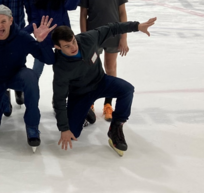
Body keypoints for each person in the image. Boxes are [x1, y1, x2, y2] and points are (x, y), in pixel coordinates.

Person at [52, 17, 157, 156]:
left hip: (100, 82)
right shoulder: (61, 67)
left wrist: (137, 26)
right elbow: (59, 99)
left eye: (73, 41)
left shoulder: (87, 39)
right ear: (58, 47)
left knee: (127, 89)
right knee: (73, 133)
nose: (73, 47)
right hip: (80, 94)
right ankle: (85, 113)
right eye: (67, 46)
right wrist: (64, 128)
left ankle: (116, 128)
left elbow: (112, 28)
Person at [0, 5, 56, 152]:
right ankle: (2, 98)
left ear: (11, 21)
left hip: (15, 76)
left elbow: (49, 59)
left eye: (3, 21)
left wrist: (42, 42)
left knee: (30, 77)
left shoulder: (22, 37)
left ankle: (32, 125)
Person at [79, 0, 129, 121]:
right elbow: (83, 15)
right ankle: (90, 102)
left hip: (114, 35)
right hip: (94, 36)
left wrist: (124, 37)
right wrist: (85, 38)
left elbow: (122, 13)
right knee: (91, 68)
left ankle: (108, 104)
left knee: (110, 67)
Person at [25, 0, 88, 78]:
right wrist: (23, 32)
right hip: (44, 39)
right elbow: (35, 19)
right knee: (36, 70)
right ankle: (31, 90)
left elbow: (71, 6)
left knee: (65, 71)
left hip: (62, 38)